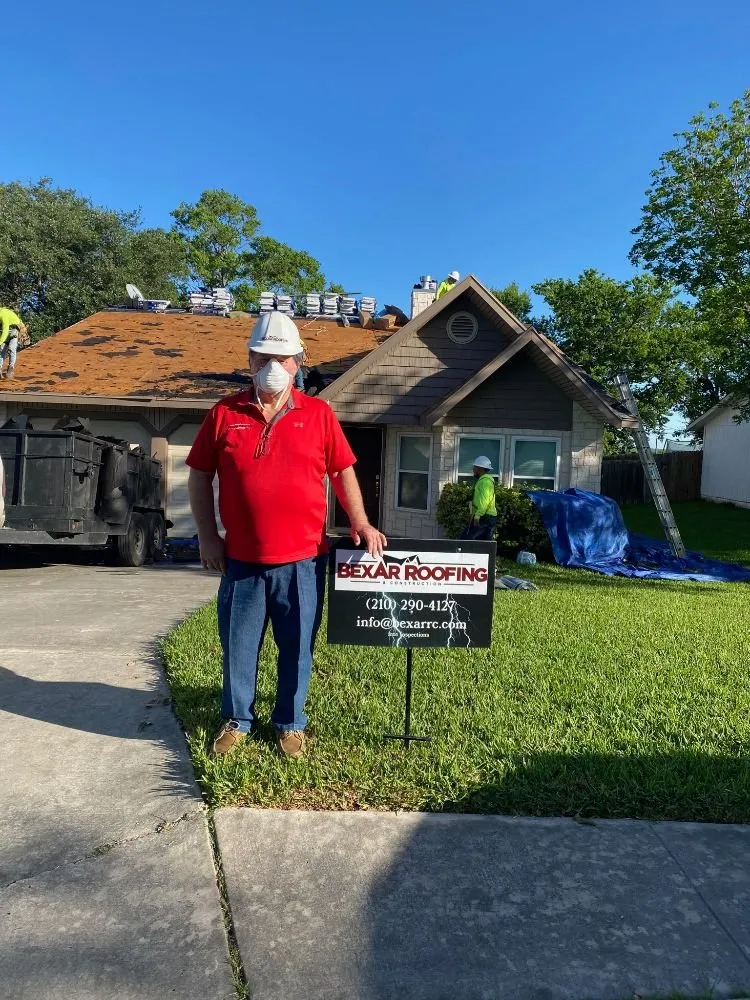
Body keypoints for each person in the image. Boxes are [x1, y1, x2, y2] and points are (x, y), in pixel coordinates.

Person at [187, 311, 387, 759]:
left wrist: (360, 521)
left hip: (303, 559)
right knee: (238, 646)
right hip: (241, 559)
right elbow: (200, 476)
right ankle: (237, 719)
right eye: (263, 357)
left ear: (299, 361)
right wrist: (207, 537)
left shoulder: (318, 414)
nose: (273, 367)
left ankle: (290, 723)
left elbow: (343, 471)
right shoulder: (224, 413)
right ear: (250, 360)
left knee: (296, 647)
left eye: (283, 358)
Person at [461, 456, 497, 540]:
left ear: (480, 468)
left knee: (470, 542)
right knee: (477, 544)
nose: (473, 469)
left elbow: (484, 502)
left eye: (475, 467)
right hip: (484, 516)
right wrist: (472, 516)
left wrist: (477, 516)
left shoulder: (484, 482)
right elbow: (478, 501)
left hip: (485, 518)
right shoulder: (482, 480)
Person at [0, 307, 26, 380]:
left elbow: (5, 330)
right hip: (4, 330)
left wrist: (0, 342)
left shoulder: (2, 314)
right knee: (1, 350)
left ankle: (10, 369)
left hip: (15, 330)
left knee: (12, 348)